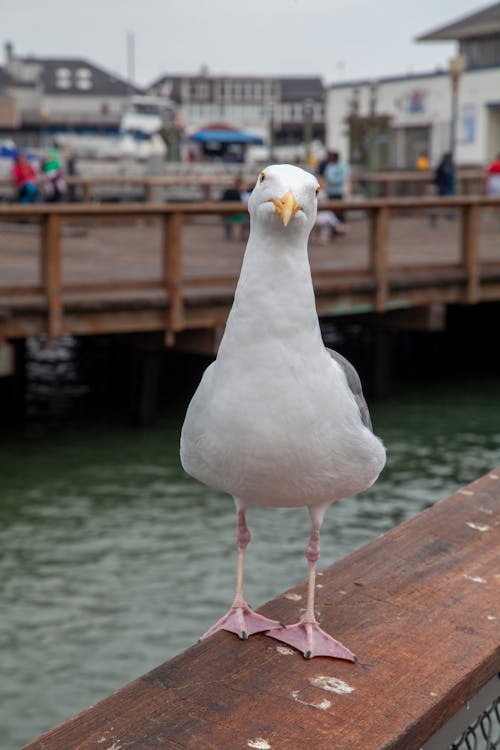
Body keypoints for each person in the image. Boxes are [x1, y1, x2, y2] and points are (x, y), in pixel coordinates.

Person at [323, 151, 351, 222]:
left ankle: (341, 226)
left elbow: (343, 177)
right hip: (330, 191)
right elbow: (328, 177)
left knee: (340, 211)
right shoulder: (329, 166)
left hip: (339, 192)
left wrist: (333, 179)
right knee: (331, 211)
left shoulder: (343, 165)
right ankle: (335, 227)